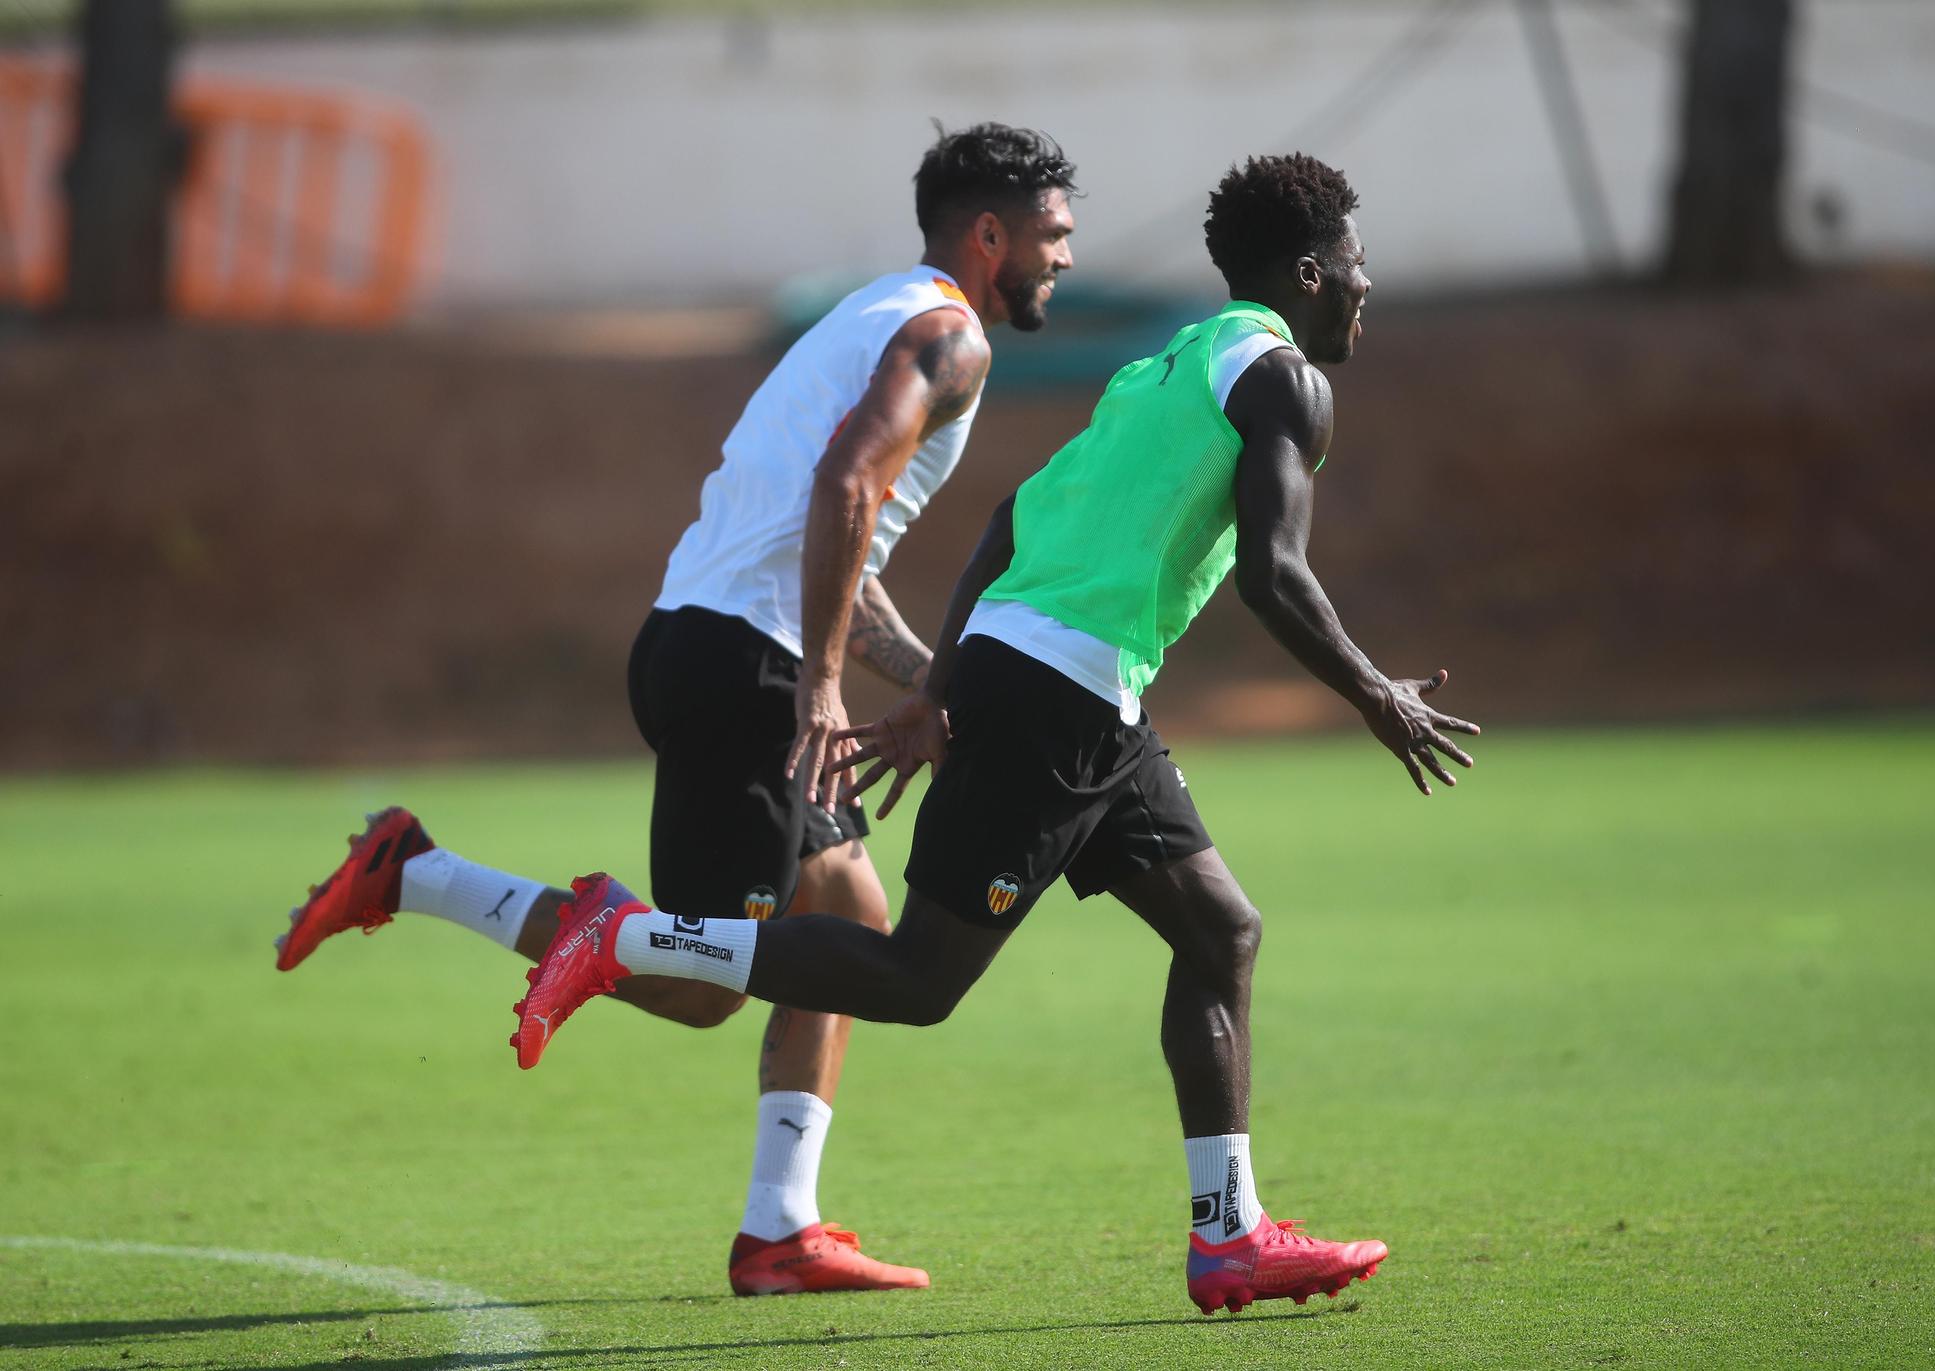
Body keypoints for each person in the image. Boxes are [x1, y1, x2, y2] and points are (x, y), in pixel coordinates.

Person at [511, 152, 1479, 1313]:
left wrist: (938, 690)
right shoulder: (1284, 383)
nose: (1366, 293)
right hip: (1058, 696)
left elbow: (1014, 518)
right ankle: (628, 939)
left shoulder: (1166, 362)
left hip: (1076, 691)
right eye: (1357, 270)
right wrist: (1379, 697)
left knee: (1220, 930)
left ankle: (1228, 1237)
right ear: (1312, 271)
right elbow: (1274, 575)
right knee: (915, 979)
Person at [272, 121, 1079, 1297]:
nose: (1062, 257)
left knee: (848, 936)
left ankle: (779, 1230)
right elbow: (845, 485)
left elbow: (833, 537)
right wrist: (815, 682)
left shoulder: (874, 314)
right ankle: (423, 875)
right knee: (704, 985)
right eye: (1051, 236)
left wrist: (929, 683)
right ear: (989, 233)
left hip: (711, 651)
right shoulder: (948, 337)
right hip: (745, 673)